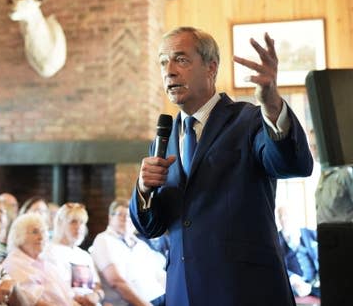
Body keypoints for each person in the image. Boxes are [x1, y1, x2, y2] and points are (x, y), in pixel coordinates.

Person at [130, 27, 313, 306]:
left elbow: (292, 164)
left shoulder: (249, 120)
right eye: (163, 62)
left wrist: (272, 103)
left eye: (181, 59)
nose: (169, 71)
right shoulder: (164, 140)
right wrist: (144, 189)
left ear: (211, 67)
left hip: (245, 291)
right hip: (183, 292)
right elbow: (151, 227)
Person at [90, 200, 164, 306]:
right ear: (110, 217)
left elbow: (160, 275)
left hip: (159, 297)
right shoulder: (104, 240)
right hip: (133, 303)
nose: (125, 219)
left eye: (129, 216)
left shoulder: (140, 244)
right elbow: (116, 281)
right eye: (120, 215)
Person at [3, 213, 77, 306]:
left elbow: (68, 297)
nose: (41, 237)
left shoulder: (45, 262)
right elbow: (31, 302)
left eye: (43, 231)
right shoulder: (13, 264)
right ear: (19, 235)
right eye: (35, 232)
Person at [43, 203, 104, 306]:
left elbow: (97, 285)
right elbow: (53, 287)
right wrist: (80, 300)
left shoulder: (84, 255)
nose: (79, 227)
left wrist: (97, 295)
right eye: (73, 222)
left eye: (82, 223)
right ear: (60, 224)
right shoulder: (49, 251)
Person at [276, 204, 320, 298]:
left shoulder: (307, 233)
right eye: (280, 216)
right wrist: (293, 279)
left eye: (286, 215)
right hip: (294, 286)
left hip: (315, 282)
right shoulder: (277, 240)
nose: (283, 219)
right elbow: (277, 265)